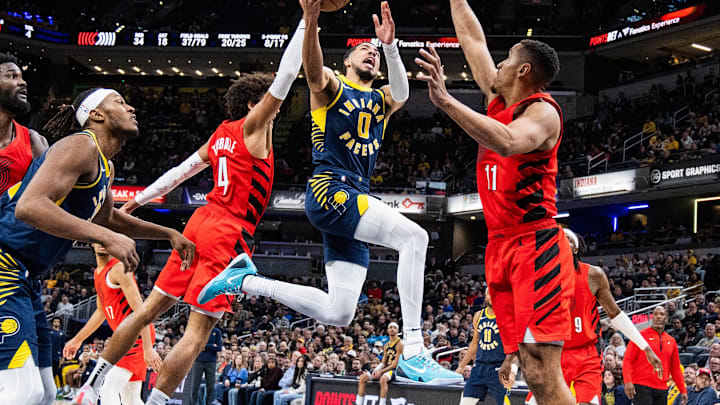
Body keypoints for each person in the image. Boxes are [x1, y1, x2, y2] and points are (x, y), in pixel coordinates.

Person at [199, 0, 460, 385]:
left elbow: (402, 92)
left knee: (340, 312)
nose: (370, 54)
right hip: (330, 189)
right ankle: (415, 350)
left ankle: (245, 281)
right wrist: (312, 19)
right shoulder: (332, 89)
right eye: (363, 51)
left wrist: (389, 46)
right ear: (347, 63)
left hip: (353, 195)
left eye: (374, 53)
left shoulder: (381, 100)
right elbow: (312, 69)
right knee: (415, 237)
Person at [76, 14, 307, 405]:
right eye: (268, 104)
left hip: (199, 223)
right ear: (254, 105)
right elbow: (285, 78)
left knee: (147, 311)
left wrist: (141, 198)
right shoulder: (254, 129)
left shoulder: (221, 133)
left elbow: (181, 171)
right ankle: (157, 403)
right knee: (196, 334)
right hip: (227, 231)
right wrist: (308, 20)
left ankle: (89, 386)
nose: (277, 109)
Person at [417, 0, 574, 402]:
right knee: (529, 365)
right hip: (500, 243)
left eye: (505, 61)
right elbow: (472, 38)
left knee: (541, 364)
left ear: (523, 71)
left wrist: (446, 101)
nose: (496, 66)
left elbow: (506, 142)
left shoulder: (542, 113)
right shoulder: (501, 102)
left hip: (534, 243)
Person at [0, 87, 194, 405]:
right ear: (97, 115)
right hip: (5, 262)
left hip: (26, 275)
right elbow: (29, 207)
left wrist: (168, 232)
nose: (131, 107)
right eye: (119, 101)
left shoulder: (105, 166)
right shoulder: (80, 145)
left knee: (47, 392)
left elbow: (107, 220)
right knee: (23, 391)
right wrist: (104, 238)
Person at [527, 229, 662, 405]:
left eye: (566, 239)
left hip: (586, 354)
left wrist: (645, 347)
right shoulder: (541, 278)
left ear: (575, 248)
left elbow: (616, 314)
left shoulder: (594, 275)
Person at [0, 51, 55, 405]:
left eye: (21, 76)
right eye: (10, 75)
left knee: (47, 392)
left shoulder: (34, 142)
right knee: (26, 390)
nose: (21, 81)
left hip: (22, 270)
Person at [63, 244, 161, 405]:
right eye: (99, 239)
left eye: (106, 239)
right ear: (92, 242)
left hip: (136, 336)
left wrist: (148, 347)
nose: (102, 244)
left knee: (108, 388)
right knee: (131, 398)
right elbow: (101, 312)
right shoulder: (97, 273)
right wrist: (77, 339)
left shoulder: (118, 269)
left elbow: (141, 311)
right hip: (126, 337)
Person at [455, 289, 514, 405]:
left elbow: (514, 345)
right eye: (489, 293)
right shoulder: (479, 315)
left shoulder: (507, 315)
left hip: (499, 368)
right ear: (485, 296)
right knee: (465, 402)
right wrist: (461, 367)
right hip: (479, 367)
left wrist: (511, 368)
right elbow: (474, 343)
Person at [623, 306, 687, 405]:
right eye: (655, 314)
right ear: (652, 317)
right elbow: (627, 360)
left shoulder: (671, 341)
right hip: (641, 385)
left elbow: (675, 368)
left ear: (666, 318)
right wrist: (628, 381)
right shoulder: (639, 336)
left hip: (662, 388)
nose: (658, 317)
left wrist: (682, 390)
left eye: (661, 314)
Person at [356, 323, 403, 405]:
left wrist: (381, 372)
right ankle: (359, 402)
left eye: (394, 328)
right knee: (363, 378)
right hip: (386, 368)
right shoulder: (386, 345)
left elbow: (395, 364)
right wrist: (376, 370)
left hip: (395, 370)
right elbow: (383, 362)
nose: (392, 329)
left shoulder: (400, 344)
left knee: (383, 379)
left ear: (398, 330)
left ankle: (382, 403)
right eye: (390, 327)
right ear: (388, 330)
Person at [188, 325, 223, 405]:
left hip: (211, 362)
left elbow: (219, 347)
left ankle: (209, 403)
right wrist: (211, 346)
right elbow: (196, 345)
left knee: (210, 387)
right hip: (198, 361)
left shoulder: (217, 332)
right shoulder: (199, 330)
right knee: (194, 386)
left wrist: (204, 346)